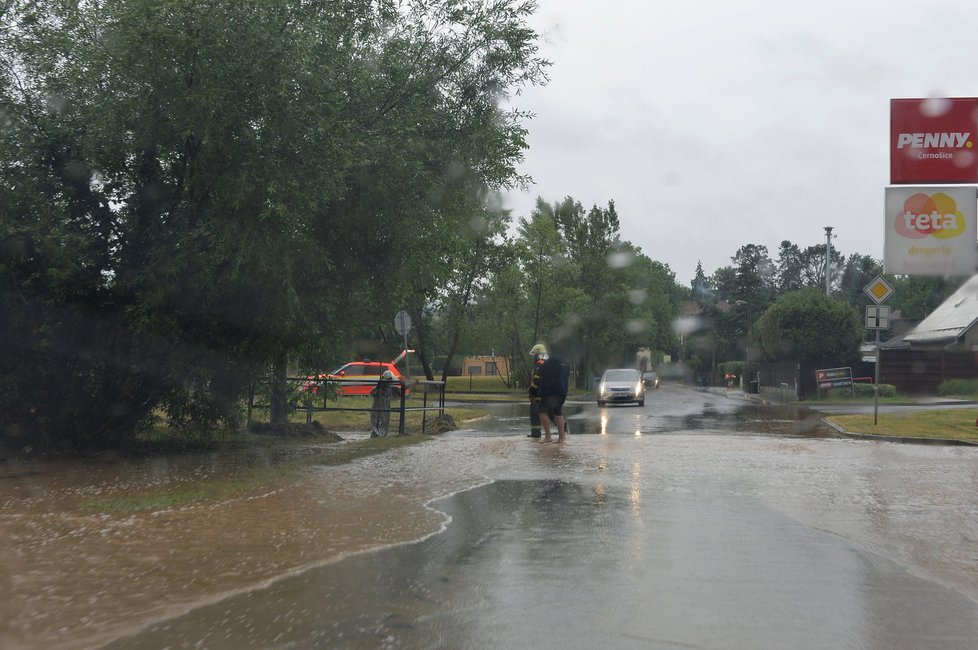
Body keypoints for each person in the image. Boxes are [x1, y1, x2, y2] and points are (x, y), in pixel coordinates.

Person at [536, 348, 569, 443]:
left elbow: (540, 372)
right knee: (558, 413)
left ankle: (548, 436)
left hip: (551, 392)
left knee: (541, 410)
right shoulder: (566, 362)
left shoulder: (551, 361)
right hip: (562, 391)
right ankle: (562, 438)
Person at [526, 343, 548, 438]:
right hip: (547, 395)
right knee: (552, 414)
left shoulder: (539, 366)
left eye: (534, 354)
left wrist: (531, 391)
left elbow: (537, 381)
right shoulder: (547, 364)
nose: (534, 357)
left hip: (539, 396)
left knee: (534, 413)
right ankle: (563, 430)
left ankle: (536, 433)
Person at [369, 370, 399, 437]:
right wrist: (378, 387)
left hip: (386, 411)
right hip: (377, 411)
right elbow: (372, 393)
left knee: (385, 426)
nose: (389, 384)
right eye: (388, 382)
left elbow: (396, 396)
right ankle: (376, 436)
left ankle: (381, 436)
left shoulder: (389, 389)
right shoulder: (377, 389)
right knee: (377, 426)